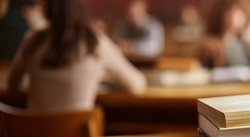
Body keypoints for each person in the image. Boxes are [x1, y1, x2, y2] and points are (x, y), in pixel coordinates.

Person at [7, 0, 147, 111]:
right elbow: (136, 84)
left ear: (46, 6)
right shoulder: (95, 42)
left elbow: (13, 85)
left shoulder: (31, 40)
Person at [196, 0, 250, 68]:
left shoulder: (245, 46)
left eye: (240, 12)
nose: (234, 17)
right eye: (229, 12)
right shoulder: (211, 47)